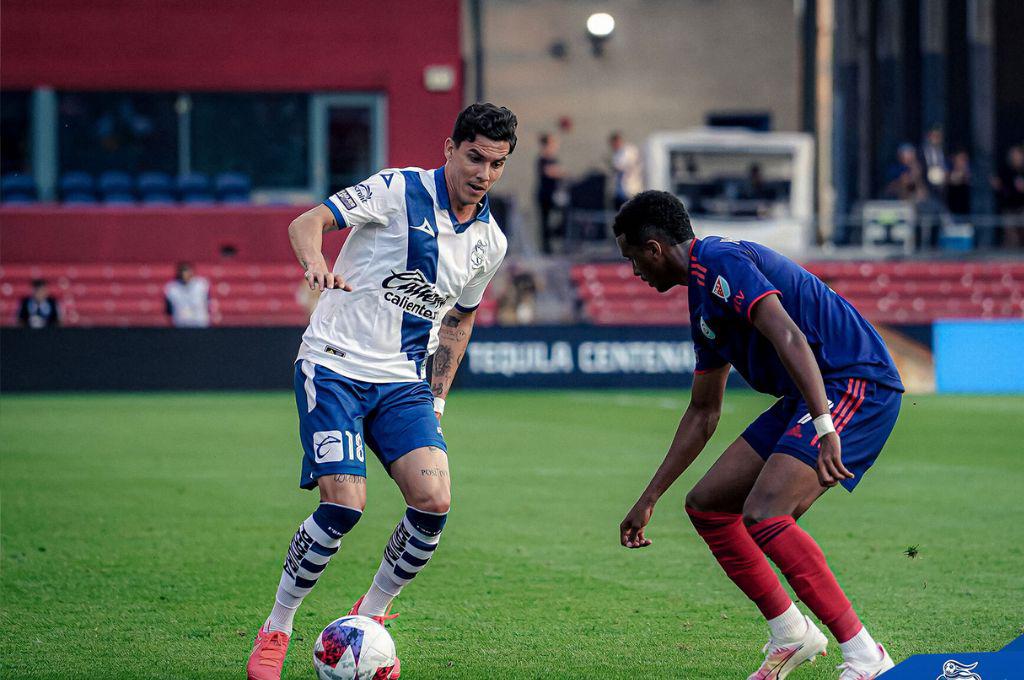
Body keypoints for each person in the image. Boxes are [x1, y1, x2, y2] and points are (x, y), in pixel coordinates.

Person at [246, 103, 517, 680]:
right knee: (345, 506)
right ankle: (278, 626)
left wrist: (438, 398)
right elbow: (305, 223)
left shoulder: (490, 243)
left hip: (404, 383)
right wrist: (315, 263)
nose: (484, 174)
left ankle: (367, 619)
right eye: (475, 157)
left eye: (496, 164)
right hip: (335, 366)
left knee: (434, 502)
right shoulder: (395, 189)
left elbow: (460, 320)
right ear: (449, 148)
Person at [614, 191, 903, 679]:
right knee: (707, 505)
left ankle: (866, 658)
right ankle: (791, 633)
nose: (635, 271)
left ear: (654, 247)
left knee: (767, 513)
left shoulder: (721, 260)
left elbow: (787, 334)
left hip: (855, 381)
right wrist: (650, 496)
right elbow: (704, 411)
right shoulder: (701, 303)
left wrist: (825, 424)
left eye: (632, 258)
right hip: (807, 395)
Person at [536, 133, 566, 254]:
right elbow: (549, 172)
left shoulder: (553, 159)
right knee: (545, 221)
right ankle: (546, 248)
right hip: (545, 195)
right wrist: (559, 172)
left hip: (555, 195)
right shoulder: (542, 159)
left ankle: (557, 233)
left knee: (563, 214)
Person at [164, 262, 210, 327]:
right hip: (181, 324)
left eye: (187, 271)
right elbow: (168, 309)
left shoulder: (202, 284)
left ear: (192, 272)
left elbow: (208, 302)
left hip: (199, 322)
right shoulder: (171, 288)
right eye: (183, 271)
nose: (185, 274)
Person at [609, 131, 642, 210]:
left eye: (614, 143)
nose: (613, 146)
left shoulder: (628, 151)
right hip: (621, 192)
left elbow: (620, 166)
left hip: (630, 190)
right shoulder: (617, 154)